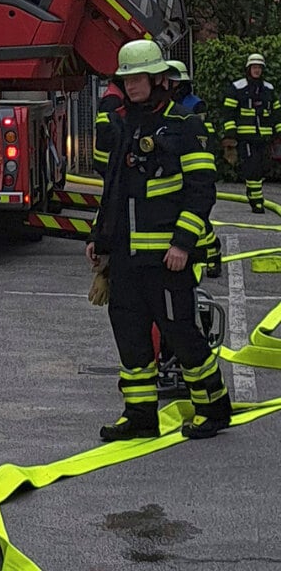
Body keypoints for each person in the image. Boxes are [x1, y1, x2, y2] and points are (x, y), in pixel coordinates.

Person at [86, 40, 232, 441]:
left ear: (157, 78)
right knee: (131, 338)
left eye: (137, 78)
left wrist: (183, 244)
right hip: (129, 260)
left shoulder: (186, 126)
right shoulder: (124, 123)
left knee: (181, 334)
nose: (130, 86)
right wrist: (100, 239)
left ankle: (214, 407)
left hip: (169, 259)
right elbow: (114, 187)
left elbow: (201, 190)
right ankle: (140, 416)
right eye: (125, 79)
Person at [164, 60, 221, 278]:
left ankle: (212, 251)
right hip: (174, 164)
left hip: (195, 158)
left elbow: (202, 136)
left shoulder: (195, 105)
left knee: (197, 212)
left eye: (174, 82)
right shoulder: (164, 104)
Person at [221, 53, 278, 214]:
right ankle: (257, 201)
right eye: (254, 67)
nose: (257, 70)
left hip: (264, 137)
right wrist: (230, 136)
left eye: (259, 68)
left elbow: (276, 112)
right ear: (248, 69)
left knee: (262, 168)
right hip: (246, 138)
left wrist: (278, 132)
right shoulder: (237, 88)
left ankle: (253, 194)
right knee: (252, 168)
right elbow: (229, 113)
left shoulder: (268, 89)